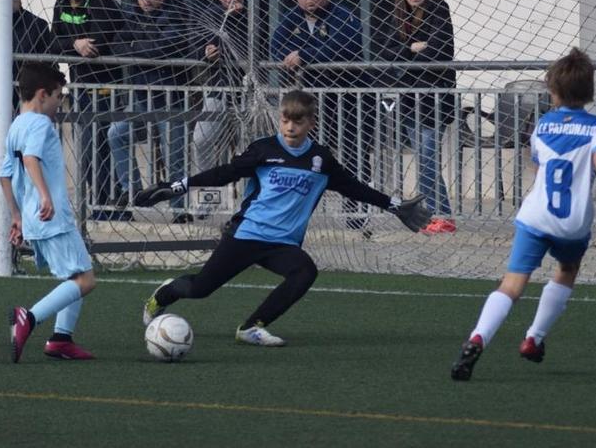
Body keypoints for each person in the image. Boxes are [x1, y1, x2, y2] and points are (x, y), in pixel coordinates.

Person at [135, 90, 431, 345]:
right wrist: (177, 186)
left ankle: (252, 328)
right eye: (285, 120)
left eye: (298, 121)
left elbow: (353, 187)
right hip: (247, 235)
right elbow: (225, 173)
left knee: (305, 271)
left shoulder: (321, 160)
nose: (290, 127)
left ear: (311, 123)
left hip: (282, 243)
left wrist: (394, 205)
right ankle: (164, 294)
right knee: (200, 289)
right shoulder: (263, 150)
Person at [450, 48, 596, 381]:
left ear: (553, 91)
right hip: (573, 221)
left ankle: (478, 338)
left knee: (512, 284)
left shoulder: (544, 124)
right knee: (566, 269)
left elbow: (537, 163)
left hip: (535, 214)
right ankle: (534, 338)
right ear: (590, 90)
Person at [3, 62, 96, 363]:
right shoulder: (40, 124)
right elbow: (30, 159)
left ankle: (61, 340)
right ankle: (28, 318)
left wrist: (16, 216)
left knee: (75, 274)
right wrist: (45, 195)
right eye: (58, 96)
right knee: (85, 280)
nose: (60, 102)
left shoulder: (16, 124)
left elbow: (4, 175)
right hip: (50, 215)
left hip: (32, 216)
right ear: (42, 95)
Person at [270, 0, 372, 233]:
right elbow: (276, 45)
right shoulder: (293, 17)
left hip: (348, 101)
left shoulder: (343, 15)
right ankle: (297, 212)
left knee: (353, 157)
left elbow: (344, 44)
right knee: (304, 156)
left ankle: (356, 216)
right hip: (312, 103)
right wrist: (291, 55)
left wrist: (304, 54)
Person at [108, 0, 192, 223]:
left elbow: (166, 48)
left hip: (169, 99)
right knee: (116, 134)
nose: (146, 0)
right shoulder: (131, 17)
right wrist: (142, 47)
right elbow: (117, 46)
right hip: (141, 99)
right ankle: (132, 191)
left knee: (173, 157)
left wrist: (137, 47)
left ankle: (180, 210)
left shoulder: (174, 16)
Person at [381, 0, 457, 234]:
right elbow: (387, 50)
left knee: (426, 160)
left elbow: (440, 49)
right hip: (410, 100)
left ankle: (440, 215)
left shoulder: (438, 9)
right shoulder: (399, 16)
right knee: (424, 161)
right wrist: (411, 48)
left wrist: (407, 55)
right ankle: (439, 215)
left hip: (434, 99)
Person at [52, 0, 126, 220]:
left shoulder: (102, 0)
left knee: (103, 143)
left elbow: (99, 41)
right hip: (80, 85)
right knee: (89, 146)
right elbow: (55, 38)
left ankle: (114, 205)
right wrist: (74, 43)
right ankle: (99, 201)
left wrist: (82, 44)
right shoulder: (61, 2)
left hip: (106, 84)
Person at [191, 0, 250, 214]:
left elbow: (261, 44)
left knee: (249, 151)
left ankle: (248, 205)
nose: (229, 0)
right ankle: (207, 201)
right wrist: (206, 52)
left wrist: (240, 17)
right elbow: (195, 43)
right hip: (218, 89)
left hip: (250, 93)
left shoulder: (255, 14)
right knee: (202, 140)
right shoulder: (212, 15)